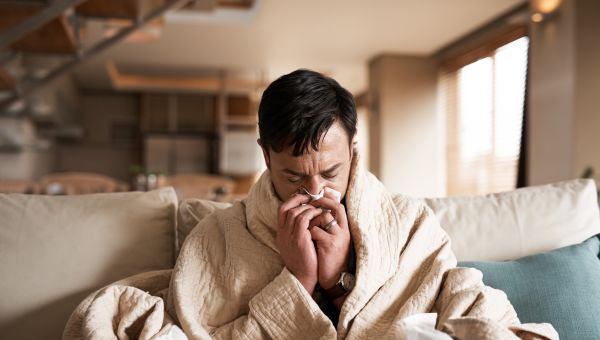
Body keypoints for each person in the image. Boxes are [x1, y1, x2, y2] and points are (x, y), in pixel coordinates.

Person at [64, 69, 557, 340]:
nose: (316, 190)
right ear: (265, 156)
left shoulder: (408, 223)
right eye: (293, 177)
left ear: (353, 151)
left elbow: (431, 305)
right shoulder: (217, 237)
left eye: (331, 172)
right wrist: (295, 282)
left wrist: (341, 279)